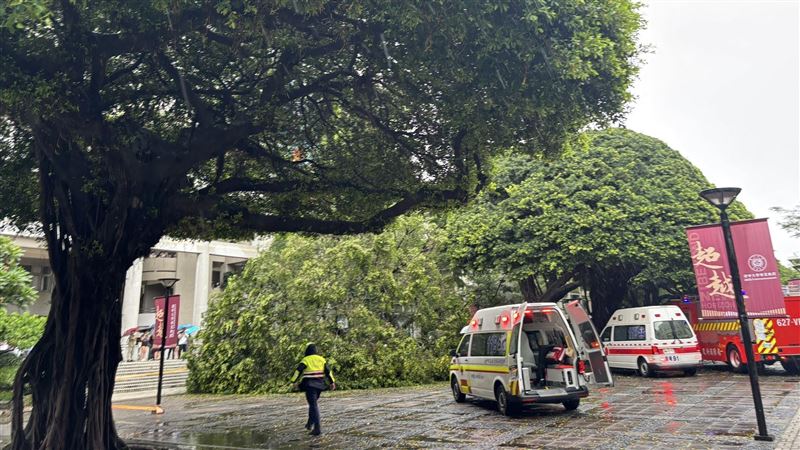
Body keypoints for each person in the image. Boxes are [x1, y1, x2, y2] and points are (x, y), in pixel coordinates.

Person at [289, 344, 336, 436]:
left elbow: (298, 371)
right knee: (313, 404)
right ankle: (309, 424)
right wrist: (332, 382)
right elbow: (328, 371)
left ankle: (317, 428)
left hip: (310, 385)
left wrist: (293, 381)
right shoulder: (321, 359)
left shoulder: (306, 359)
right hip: (320, 385)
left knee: (313, 405)